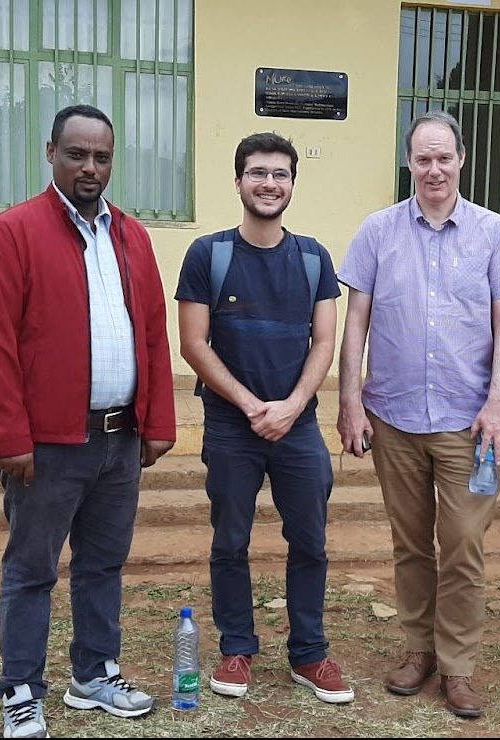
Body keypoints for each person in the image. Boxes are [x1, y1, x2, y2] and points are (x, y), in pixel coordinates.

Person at [0, 104, 176, 740]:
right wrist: (10, 437)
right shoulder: (12, 233)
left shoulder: (132, 237)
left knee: (102, 565)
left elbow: (152, 335)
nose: (91, 167)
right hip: (48, 446)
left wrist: (158, 420)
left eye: (102, 157)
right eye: (77, 154)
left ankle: (94, 673)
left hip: (120, 440)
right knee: (32, 569)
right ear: (51, 153)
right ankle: (22, 692)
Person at [336, 110, 500, 718]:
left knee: (465, 546)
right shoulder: (377, 231)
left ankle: (460, 666)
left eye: (444, 157)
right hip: (392, 417)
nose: (434, 168)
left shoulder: (494, 232)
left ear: (462, 160)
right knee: (411, 544)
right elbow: (356, 321)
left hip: (470, 423)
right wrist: (349, 401)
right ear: (409, 162)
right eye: (423, 158)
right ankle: (418, 648)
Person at [174, 133, 350, 705]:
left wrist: (293, 405)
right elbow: (194, 344)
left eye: (279, 173)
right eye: (257, 173)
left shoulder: (312, 258)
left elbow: (324, 342)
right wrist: (251, 407)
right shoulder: (209, 255)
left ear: (293, 184)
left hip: (298, 425)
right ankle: (237, 648)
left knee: (311, 543)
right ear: (238, 182)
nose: (269, 183)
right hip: (232, 427)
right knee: (230, 541)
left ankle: (310, 654)